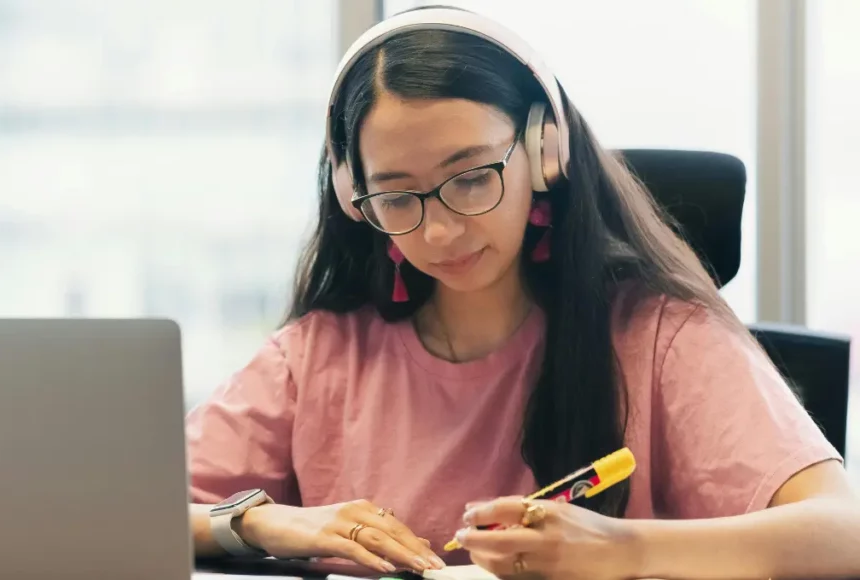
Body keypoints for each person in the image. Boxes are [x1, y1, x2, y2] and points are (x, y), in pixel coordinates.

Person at [185, 6, 860, 579]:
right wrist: (262, 523)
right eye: (396, 195)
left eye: (471, 177)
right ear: (352, 196)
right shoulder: (318, 356)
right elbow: (123, 510)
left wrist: (621, 549)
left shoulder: (656, 336)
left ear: (545, 150)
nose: (442, 229)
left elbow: (843, 532)